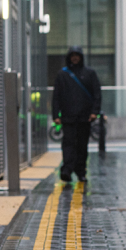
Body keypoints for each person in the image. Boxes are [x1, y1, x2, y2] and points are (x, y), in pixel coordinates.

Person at [52, 46, 102, 182]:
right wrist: (56, 115)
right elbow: (56, 95)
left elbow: (97, 93)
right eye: (72, 55)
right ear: (69, 57)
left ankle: (81, 171)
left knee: (82, 145)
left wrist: (94, 112)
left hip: (84, 117)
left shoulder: (89, 73)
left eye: (77, 55)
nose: (75, 57)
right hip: (68, 117)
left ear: (81, 57)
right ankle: (67, 170)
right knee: (68, 144)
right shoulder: (62, 74)